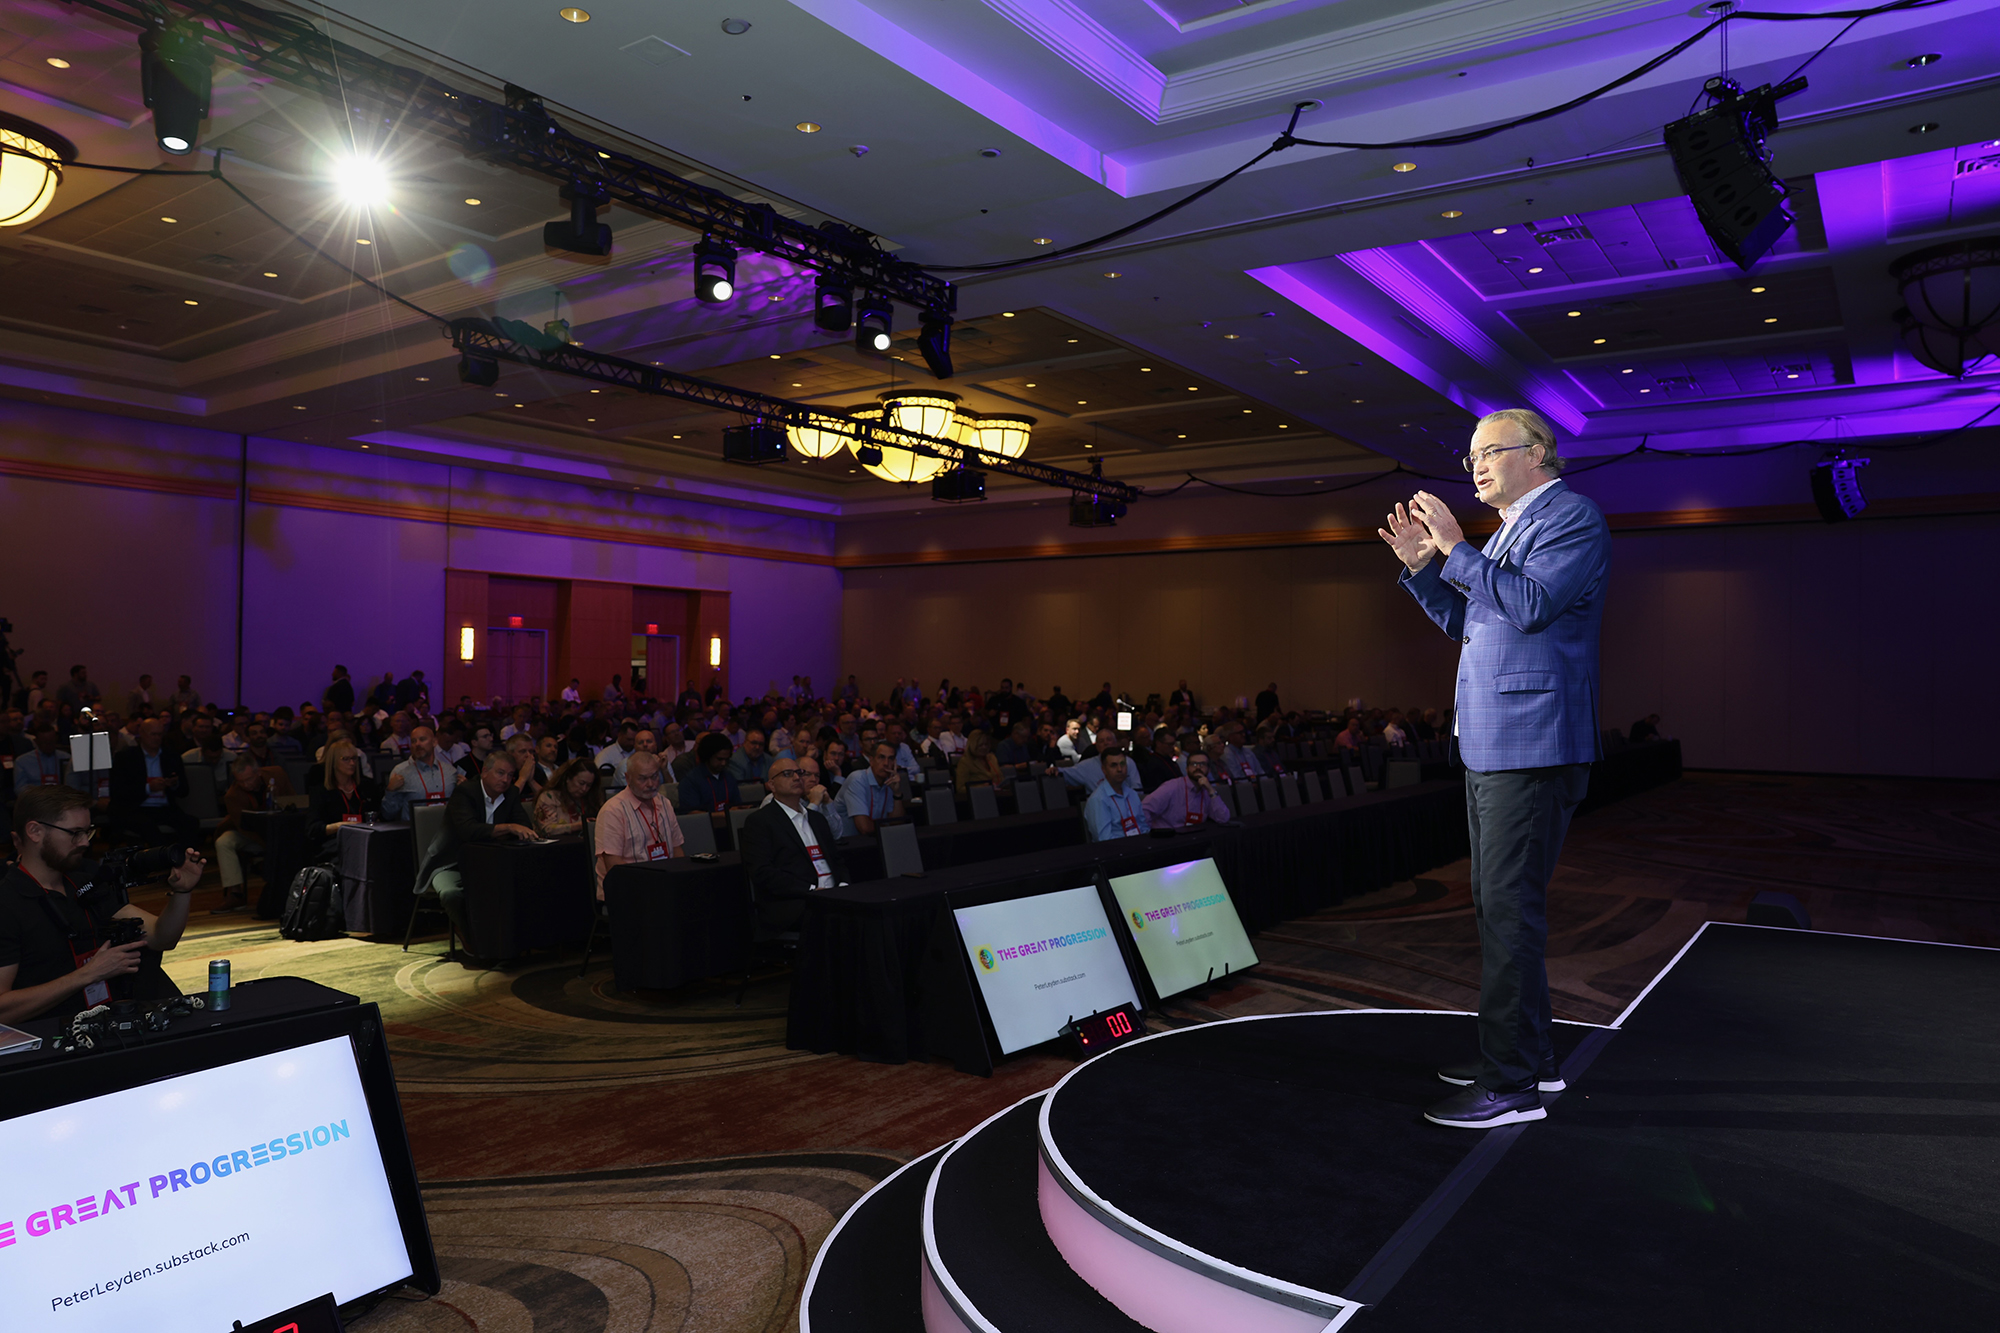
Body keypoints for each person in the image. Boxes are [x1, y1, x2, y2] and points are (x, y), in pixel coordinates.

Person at [1381, 406, 1610, 1130]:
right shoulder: (1512, 529)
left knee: (1509, 910)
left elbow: (1533, 605)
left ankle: (1507, 1083)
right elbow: (1470, 619)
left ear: (1538, 452)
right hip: (1496, 742)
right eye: (1471, 456)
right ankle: (1529, 1061)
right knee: (1500, 907)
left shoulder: (1571, 517)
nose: (1475, 466)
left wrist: (1452, 546)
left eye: (1490, 452)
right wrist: (1425, 566)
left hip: (1533, 744)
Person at [0, 785, 205, 1022]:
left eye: (88, 832)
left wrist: (182, 891)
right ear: (35, 832)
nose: (85, 842)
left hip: (106, 1026)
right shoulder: (8, 903)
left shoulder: (85, 884)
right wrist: (88, 974)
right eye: (75, 833)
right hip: (52, 1041)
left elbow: (161, 937)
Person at [423, 753, 537, 959]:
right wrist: (508, 827)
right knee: (451, 893)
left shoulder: (510, 794)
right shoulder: (465, 792)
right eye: (500, 773)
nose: (505, 779)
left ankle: (511, 941)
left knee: (518, 884)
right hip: (451, 861)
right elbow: (469, 830)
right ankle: (470, 936)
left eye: (510, 775)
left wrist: (518, 829)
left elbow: (524, 826)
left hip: (489, 863)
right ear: (485, 771)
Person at [740, 754, 846, 932]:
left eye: (799, 773)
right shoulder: (760, 821)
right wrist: (811, 890)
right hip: (795, 901)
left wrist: (843, 886)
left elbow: (836, 858)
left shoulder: (817, 819)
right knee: (836, 919)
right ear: (772, 785)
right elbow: (762, 872)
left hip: (834, 895)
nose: (797, 778)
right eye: (788, 774)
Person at [593, 751, 683, 899]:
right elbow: (615, 867)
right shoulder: (613, 810)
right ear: (628, 778)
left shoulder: (664, 803)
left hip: (665, 885)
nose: (650, 784)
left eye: (654, 776)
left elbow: (677, 848)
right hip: (628, 890)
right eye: (642, 779)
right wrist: (652, 885)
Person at [213, 756, 294, 913]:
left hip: (283, 828)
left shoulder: (277, 774)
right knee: (224, 842)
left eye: (248, 779)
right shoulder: (232, 795)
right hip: (251, 833)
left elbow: (294, 800)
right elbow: (243, 828)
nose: (245, 785)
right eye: (240, 781)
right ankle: (235, 893)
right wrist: (269, 847)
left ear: (257, 772)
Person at [108, 718, 197, 846]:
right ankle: (161, 860)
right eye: (153, 734)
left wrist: (173, 784)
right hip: (136, 808)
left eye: (160, 734)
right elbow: (118, 791)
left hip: (164, 807)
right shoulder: (126, 758)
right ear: (142, 734)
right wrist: (148, 788)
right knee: (148, 828)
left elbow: (184, 790)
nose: (157, 738)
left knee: (190, 823)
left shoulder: (171, 756)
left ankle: (185, 861)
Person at [382, 724, 458, 821]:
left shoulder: (450, 772)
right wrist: (390, 791)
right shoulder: (401, 773)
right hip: (413, 832)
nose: (417, 744)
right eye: (413, 741)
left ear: (434, 742)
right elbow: (388, 813)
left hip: (446, 830)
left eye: (422, 739)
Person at [311, 738, 379, 844]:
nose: (352, 763)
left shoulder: (366, 787)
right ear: (333, 762)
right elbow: (313, 829)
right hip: (336, 842)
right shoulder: (321, 791)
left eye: (354, 758)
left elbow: (379, 817)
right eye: (345, 759)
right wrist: (339, 826)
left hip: (366, 840)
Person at [1142, 751, 1233, 828]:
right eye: (1193, 764)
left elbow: (1223, 819)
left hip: (1195, 838)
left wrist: (1211, 790)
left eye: (1202, 764)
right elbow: (1144, 809)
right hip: (1170, 841)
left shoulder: (1207, 790)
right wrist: (1149, 835)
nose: (1198, 767)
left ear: (1208, 770)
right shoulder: (1171, 787)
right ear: (1187, 768)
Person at [674, 733, 739, 827]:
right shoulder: (690, 781)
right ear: (708, 756)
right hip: (703, 831)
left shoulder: (729, 777)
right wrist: (725, 815)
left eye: (726, 759)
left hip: (730, 828)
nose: (723, 763)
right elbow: (691, 815)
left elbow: (737, 805)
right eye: (719, 759)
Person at [1084, 751, 1150, 842]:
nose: (1120, 769)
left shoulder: (1132, 794)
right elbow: (1104, 839)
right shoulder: (1098, 799)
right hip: (1116, 851)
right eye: (1113, 765)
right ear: (1104, 770)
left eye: (1122, 764)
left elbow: (1144, 826)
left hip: (1140, 846)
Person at [841, 740, 903, 835]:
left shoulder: (890, 782)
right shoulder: (857, 779)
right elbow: (864, 828)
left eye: (890, 759)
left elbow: (897, 822)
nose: (886, 763)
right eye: (881, 757)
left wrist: (897, 793)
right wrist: (888, 827)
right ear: (871, 760)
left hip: (875, 839)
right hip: (848, 843)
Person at [533, 756, 601, 838]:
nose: (584, 789)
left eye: (589, 785)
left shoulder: (590, 798)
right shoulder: (549, 797)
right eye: (581, 783)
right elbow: (546, 829)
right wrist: (579, 826)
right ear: (568, 778)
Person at [15, 723, 88, 795]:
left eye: (51, 742)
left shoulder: (66, 758)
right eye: (45, 742)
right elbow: (20, 788)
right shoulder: (22, 761)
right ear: (36, 742)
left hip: (62, 798)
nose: (49, 745)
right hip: (36, 800)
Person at [953, 730, 1003, 796]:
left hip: (998, 795)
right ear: (973, 745)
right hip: (979, 797)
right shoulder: (965, 762)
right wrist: (981, 787)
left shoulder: (992, 758)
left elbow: (1001, 778)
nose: (984, 747)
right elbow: (960, 789)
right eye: (980, 745)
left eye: (986, 744)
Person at [596, 720, 639, 793]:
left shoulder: (639, 751)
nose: (632, 743)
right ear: (619, 735)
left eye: (634, 740)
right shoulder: (605, 755)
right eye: (628, 739)